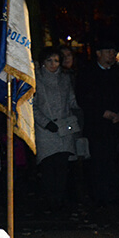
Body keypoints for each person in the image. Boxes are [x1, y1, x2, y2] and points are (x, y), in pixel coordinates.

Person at [75, 40, 119, 206]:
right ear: (99, 53)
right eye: (108, 51)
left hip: (116, 127)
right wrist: (102, 113)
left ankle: (116, 194)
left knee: (117, 159)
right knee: (99, 162)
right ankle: (100, 196)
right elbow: (83, 98)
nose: (112, 55)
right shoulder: (87, 74)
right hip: (97, 127)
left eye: (113, 51)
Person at [33, 47, 82, 211]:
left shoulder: (65, 79)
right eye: (49, 60)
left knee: (62, 166)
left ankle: (59, 201)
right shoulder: (36, 80)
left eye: (56, 61)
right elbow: (32, 106)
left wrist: (80, 110)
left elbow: (71, 100)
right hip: (45, 131)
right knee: (48, 166)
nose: (53, 64)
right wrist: (45, 122)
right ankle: (50, 201)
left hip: (64, 128)